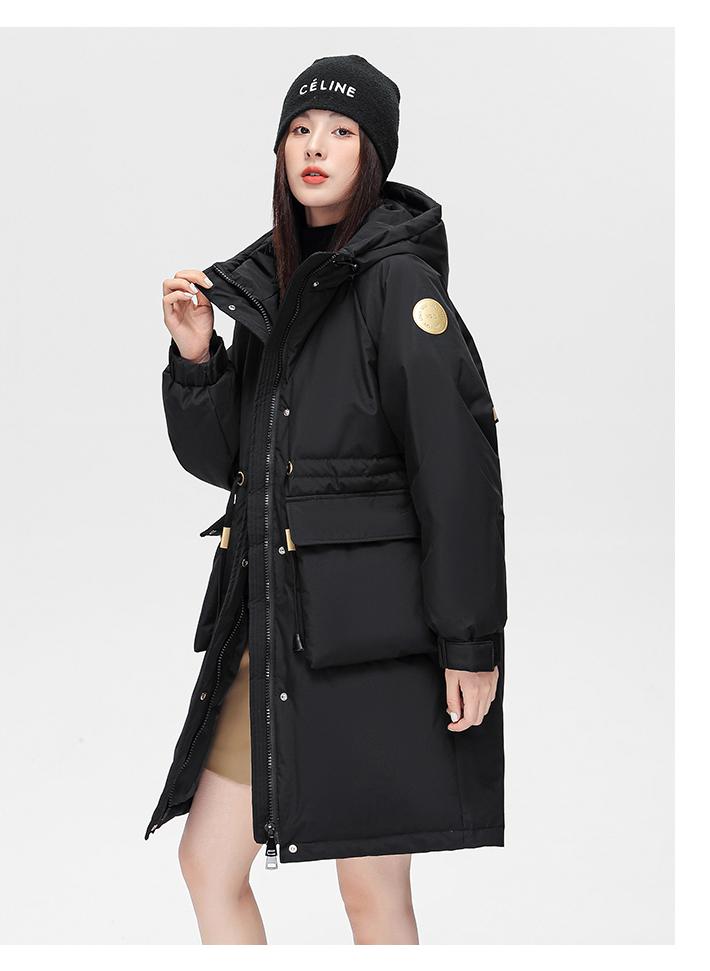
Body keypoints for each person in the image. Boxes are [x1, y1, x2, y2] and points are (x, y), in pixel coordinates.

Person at [149, 54, 507, 945]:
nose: (316, 147)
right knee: (207, 862)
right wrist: (197, 358)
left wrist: (470, 642)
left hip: (376, 639)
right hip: (274, 628)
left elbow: (457, 473)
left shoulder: (397, 283)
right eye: (301, 129)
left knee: (371, 893)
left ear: (371, 154)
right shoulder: (274, 283)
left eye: (341, 132)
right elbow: (228, 462)